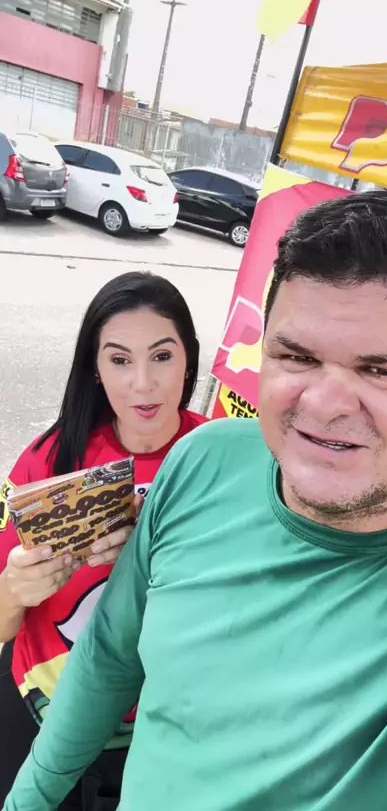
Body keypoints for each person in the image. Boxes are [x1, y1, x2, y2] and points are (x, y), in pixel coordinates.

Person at [5, 187, 387, 811]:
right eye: (296, 356)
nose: (323, 403)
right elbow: (110, 657)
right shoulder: (203, 460)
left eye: (381, 370)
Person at [0, 270, 208, 810]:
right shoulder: (47, 463)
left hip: (166, 734)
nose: (143, 383)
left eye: (162, 356)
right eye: (119, 360)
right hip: (42, 713)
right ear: (94, 369)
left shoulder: (220, 457)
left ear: (188, 360)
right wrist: (15, 590)